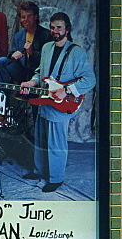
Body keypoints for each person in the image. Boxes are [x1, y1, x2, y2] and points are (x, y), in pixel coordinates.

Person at [19, 12, 96, 193]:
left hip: (61, 104)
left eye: (59, 27)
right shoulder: (46, 48)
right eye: (53, 27)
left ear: (67, 29)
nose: (55, 31)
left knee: (56, 143)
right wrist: (31, 83)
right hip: (44, 101)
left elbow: (89, 79)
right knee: (40, 139)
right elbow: (40, 72)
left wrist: (67, 90)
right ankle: (39, 171)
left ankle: (56, 179)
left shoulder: (76, 52)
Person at [0, 1, 50, 84]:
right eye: (23, 17)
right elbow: (13, 52)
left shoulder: (46, 34)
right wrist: (12, 55)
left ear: (35, 17)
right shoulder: (19, 35)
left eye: (29, 16)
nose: (26, 20)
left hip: (37, 73)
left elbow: (49, 61)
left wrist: (32, 53)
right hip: (21, 72)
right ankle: (2, 94)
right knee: (2, 61)